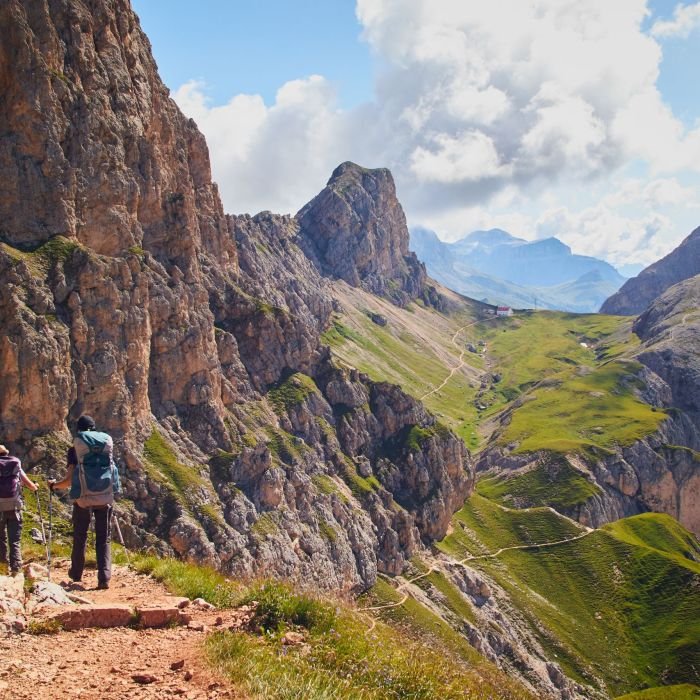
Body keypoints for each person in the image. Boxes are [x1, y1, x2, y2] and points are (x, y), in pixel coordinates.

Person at [49, 415, 121, 590]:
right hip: (105, 498)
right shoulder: (105, 448)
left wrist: (54, 485)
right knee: (103, 539)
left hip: (83, 499)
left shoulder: (75, 450)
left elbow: (68, 481)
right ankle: (104, 577)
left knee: (80, 536)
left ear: (78, 430)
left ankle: (76, 573)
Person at [0, 444, 39, 575]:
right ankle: (16, 569)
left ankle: (3, 569)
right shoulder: (15, 463)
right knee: (14, 540)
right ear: (7, 453)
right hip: (14, 506)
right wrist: (35, 486)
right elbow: (29, 485)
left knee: (1, 539)